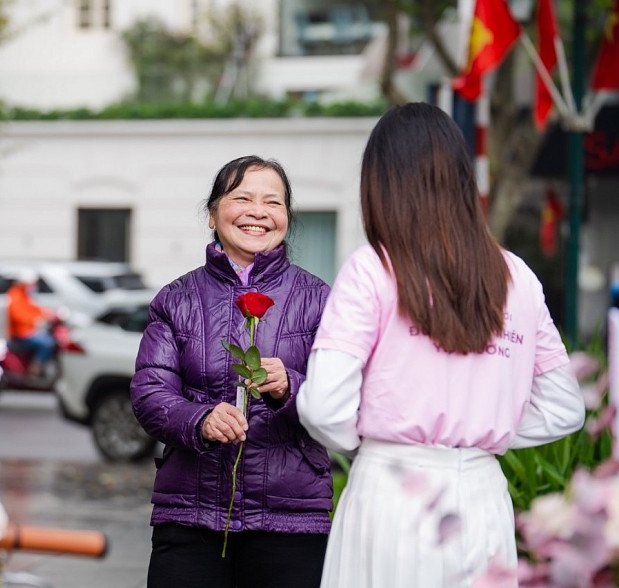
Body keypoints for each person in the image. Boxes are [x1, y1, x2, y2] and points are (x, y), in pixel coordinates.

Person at [297, 102, 586, 587]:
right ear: (460, 179)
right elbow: (564, 407)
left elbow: (325, 409)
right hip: (483, 498)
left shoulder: (374, 269)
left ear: (382, 182)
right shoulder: (518, 277)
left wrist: (371, 437)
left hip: (393, 490)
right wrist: (482, 431)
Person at [130, 155, 333, 588]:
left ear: (286, 218)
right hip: (190, 516)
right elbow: (150, 393)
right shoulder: (177, 299)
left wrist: (291, 387)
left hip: (291, 518)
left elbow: (345, 397)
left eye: (272, 202)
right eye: (242, 198)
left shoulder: (320, 300)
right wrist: (202, 419)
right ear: (212, 214)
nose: (258, 212)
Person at [6, 268, 56, 376]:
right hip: (21, 334)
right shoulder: (15, 295)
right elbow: (16, 314)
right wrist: (35, 320)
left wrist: (50, 314)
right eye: (32, 284)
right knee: (47, 343)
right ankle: (35, 367)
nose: (34, 286)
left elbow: (35, 309)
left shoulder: (25, 295)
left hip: (29, 331)